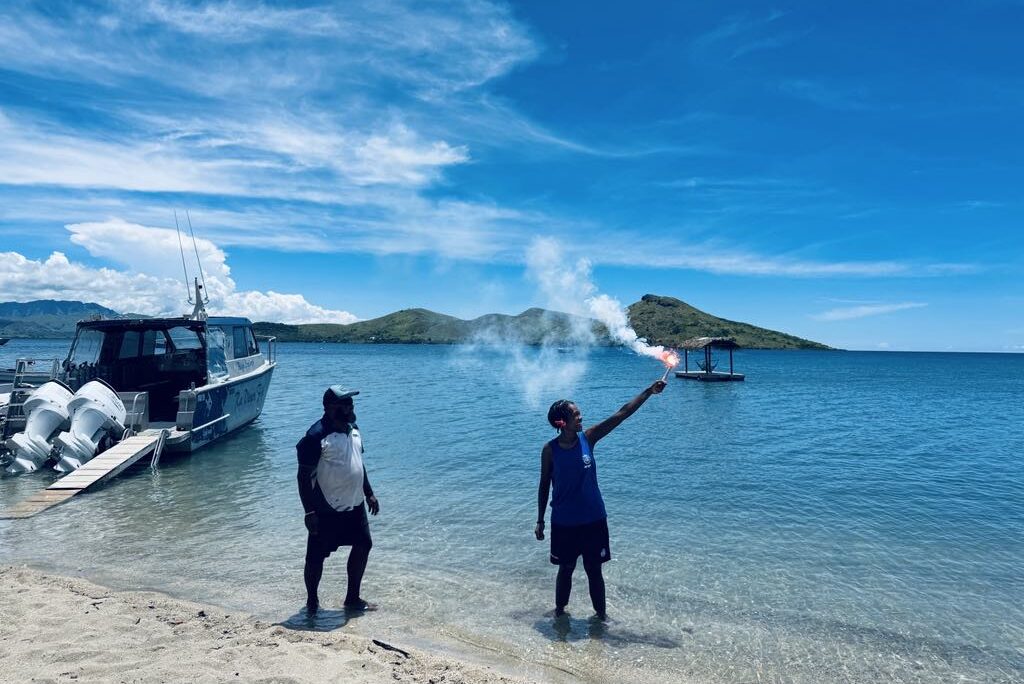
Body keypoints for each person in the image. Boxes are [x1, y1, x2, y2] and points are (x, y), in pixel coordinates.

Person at [535, 379, 666, 620]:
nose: (581, 418)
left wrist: (648, 391)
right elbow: (544, 485)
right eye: (575, 415)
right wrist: (540, 521)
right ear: (561, 422)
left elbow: (621, 414)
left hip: (594, 520)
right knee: (565, 569)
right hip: (564, 522)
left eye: (579, 413)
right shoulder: (550, 450)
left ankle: (601, 620)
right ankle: (560, 616)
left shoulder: (589, 438)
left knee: (594, 571)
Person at [296, 385, 380, 614]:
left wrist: (369, 492)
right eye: (346, 404)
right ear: (331, 408)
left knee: (364, 544)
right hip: (326, 509)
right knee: (315, 557)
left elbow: (358, 463)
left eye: (351, 403)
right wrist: (309, 511)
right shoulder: (315, 436)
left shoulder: (354, 430)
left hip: (355, 505)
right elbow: (303, 476)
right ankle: (312, 602)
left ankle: (352, 598)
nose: (351, 407)